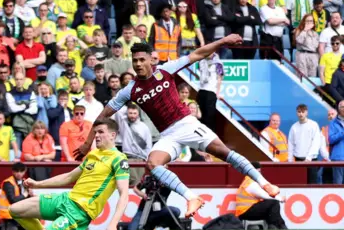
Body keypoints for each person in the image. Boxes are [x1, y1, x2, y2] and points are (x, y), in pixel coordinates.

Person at [75, 35, 281, 218]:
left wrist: (223, 41)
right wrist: (87, 143)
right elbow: (103, 115)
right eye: (134, 60)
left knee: (223, 152)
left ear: (150, 60)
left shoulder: (165, 70)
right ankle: (192, 198)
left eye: (141, 59)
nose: (138, 64)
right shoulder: (130, 90)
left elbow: (198, 54)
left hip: (187, 124)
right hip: (168, 135)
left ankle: (264, 183)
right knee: (153, 163)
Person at [8, 118, 130, 230]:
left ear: (113, 135)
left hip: (78, 213)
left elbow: (124, 194)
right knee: (15, 209)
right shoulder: (93, 155)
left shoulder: (119, 160)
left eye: (101, 132)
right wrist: (37, 184)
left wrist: (113, 223)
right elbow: (68, 177)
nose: (96, 136)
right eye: (95, 132)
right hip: (66, 199)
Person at [235, 161, 288, 229]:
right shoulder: (251, 183)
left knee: (271, 208)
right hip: (245, 212)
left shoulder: (250, 181)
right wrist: (279, 198)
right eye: (258, 172)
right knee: (274, 203)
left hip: (246, 211)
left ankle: (278, 225)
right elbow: (264, 195)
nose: (259, 174)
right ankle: (277, 226)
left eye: (260, 171)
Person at [114, 102, 152, 187]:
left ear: (138, 113)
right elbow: (117, 113)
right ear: (127, 113)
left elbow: (148, 145)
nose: (132, 115)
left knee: (139, 183)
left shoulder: (144, 127)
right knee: (132, 179)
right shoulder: (124, 123)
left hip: (141, 159)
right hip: (128, 157)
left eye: (134, 113)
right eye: (130, 113)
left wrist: (147, 158)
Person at [288, 104, 321, 184]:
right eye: (299, 112)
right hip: (298, 160)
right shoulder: (294, 127)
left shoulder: (314, 125)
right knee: (299, 184)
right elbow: (291, 144)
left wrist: (309, 157)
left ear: (307, 113)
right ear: (296, 113)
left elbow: (316, 142)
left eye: (303, 112)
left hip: (312, 160)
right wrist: (290, 159)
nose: (301, 114)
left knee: (312, 184)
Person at [0, 162, 30, 230]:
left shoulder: (25, 182)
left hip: (20, 214)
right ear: (13, 171)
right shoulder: (8, 183)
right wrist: (24, 195)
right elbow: (12, 200)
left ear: (25, 171)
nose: (19, 173)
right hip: (9, 216)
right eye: (17, 171)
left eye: (21, 171)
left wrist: (30, 195)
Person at [197, 52, 223, 132]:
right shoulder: (201, 61)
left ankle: (209, 135)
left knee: (209, 116)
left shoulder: (218, 63)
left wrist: (217, 93)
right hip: (201, 90)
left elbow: (219, 78)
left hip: (211, 91)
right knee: (200, 115)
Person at [328, 100, 344, 183]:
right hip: (338, 158)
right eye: (342, 107)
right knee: (338, 185)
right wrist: (342, 132)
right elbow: (331, 139)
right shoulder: (333, 123)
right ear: (339, 109)